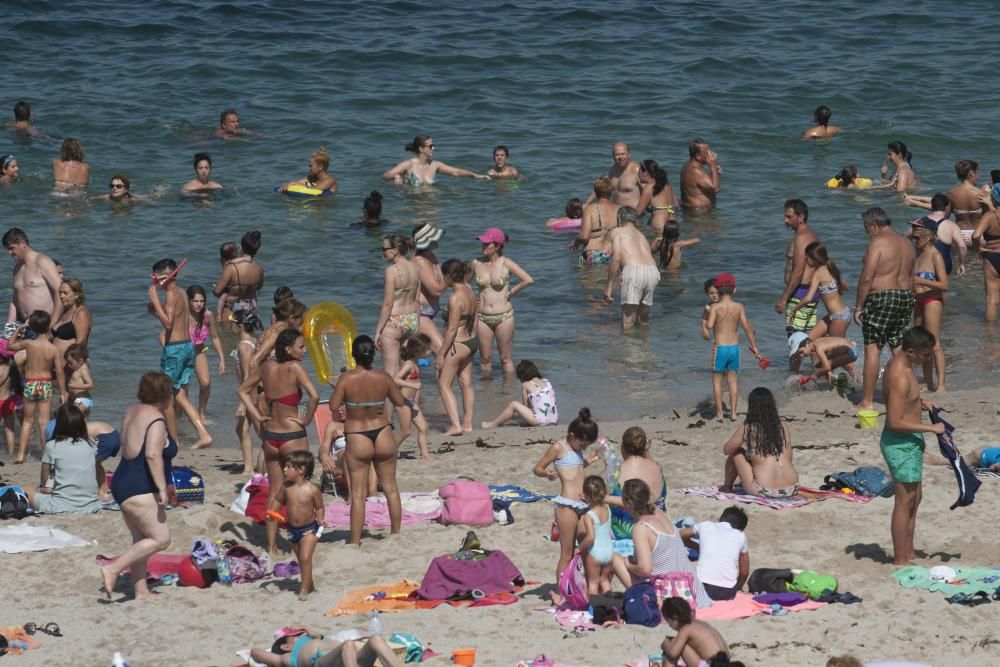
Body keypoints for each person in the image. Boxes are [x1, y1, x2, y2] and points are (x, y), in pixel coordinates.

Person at [239, 328, 319, 555]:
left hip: (271, 436)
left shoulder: (266, 368)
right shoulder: (294, 368)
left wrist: (256, 415)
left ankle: (272, 545)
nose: (304, 351)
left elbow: (243, 391)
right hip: (292, 435)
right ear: (288, 349)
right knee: (298, 491)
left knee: (274, 492)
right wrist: (306, 418)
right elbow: (313, 395)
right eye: (301, 347)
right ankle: (298, 541)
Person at [99, 372, 177, 601]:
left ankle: (141, 591)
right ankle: (112, 568)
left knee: (141, 539)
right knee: (161, 539)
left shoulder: (132, 410)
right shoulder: (156, 418)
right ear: (164, 393)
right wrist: (163, 488)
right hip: (139, 484)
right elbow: (153, 455)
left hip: (122, 481)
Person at [329, 336, 407, 546]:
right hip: (382, 431)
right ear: (373, 353)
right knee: (391, 488)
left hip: (357, 434)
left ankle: (354, 541)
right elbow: (399, 402)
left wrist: (339, 387)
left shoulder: (347, 379)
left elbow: (334, 406)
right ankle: (396, 533)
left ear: (353, 355)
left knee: (358, 493)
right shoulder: (383, 377)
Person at [880, 327, 944, 566]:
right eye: (924, 355)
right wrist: (931, 429)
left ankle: (909, 551)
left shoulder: (905, 366)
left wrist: (921, 401)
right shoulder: (898, 374)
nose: (927, 359)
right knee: (904, 500)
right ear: (910, 351)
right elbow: (894, 421)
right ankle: (900, 559)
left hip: (910, 441)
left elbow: (905, 400)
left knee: (915, 498)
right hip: (900, 444)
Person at [610, 479, 710, 607]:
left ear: (628, 503)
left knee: (614, 558)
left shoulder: (641, 528)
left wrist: (628, 564)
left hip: (668, 593)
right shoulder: (659, 512)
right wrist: (605, 498)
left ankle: (605, 599)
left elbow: (645, 569)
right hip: (690, 588)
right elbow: (632, 502)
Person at [854, 207, 916, 410]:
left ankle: (868, 401)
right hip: (905, 297)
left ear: (874, 225)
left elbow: (866, 278)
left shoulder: (877, 242)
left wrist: (859, 307)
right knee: (898, 348)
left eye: (866, 228)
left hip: (882, 297)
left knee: (873, 349)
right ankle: (910, 394)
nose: (866, 233)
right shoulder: (907, 243)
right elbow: (911, 276)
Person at [148, 258, 213, 448]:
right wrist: (156, 311)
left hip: (175, 350)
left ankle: (173, 441)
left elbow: (168, 324)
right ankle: (203, 434)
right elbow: (176, 321)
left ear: (165, 277)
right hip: (187, 347)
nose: (153, 280)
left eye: (156, 276)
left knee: (166, 396)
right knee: (180, 396)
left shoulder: (170, 294)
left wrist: (155, 301)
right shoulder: (183, 293)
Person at [532, 407, 599, 582]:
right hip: (567, 505)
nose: (584, 447)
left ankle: (582, 588)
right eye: (583, 444)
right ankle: (562, 593)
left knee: (586, 550)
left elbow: (574, 470)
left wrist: (588, 461)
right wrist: (546, 474)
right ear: (571, 436)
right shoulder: (558, 447)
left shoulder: (577, 449)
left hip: (584, 505)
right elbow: (537, 468)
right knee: (567, 553)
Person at [472, 227, 533, 373]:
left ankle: (507, 393)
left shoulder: (506, 263)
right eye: (483, 243)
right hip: (482, 317)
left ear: (498, 246)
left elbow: (528, 280)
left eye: (487, 244)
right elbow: (462, 283)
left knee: (505, 358)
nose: (483, 246)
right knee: (485, 359)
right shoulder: (476, 263)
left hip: (504, 316)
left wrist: (511, 291)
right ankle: (488, 393)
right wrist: (472, 298)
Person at [22, 403, 100, 514]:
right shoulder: (91, 443)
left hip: (61, 505)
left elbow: (44, 480)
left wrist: (43, 488)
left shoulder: (52, 446)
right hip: (91, 503)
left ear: (59, 424)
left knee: (25, 489)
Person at [721, 387, 799, 498]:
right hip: (792, 488)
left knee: (737, 452)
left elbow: (727, 450)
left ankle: (727, 487)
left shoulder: (748, 427)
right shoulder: (782, 427)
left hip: (765, 491)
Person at [9, 312, 66, 464]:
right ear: (48, 327)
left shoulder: (28, 344)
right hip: (45, 384)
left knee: (27, 421)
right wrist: (63, 392)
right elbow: (60, 373)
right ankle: (45, 455)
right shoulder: (53, 349)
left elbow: (10, 346)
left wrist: (20, 328)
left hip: (30, 383)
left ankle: (20, 455)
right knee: (43, 422)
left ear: (32, 327)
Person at [268, 450, 324, 600]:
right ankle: (309, 583)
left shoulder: (312, 489)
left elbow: (319, 507)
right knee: (301, 559)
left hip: (310, 529)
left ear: (301, 469)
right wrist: (272, 511)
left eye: (288, 466)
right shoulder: (286, 487)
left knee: (306, 558)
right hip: (292, 529)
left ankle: (304, 590)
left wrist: (321, 519)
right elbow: (278, 501)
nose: (284, 469)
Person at [705, 273, 761, 422]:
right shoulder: (739, 307)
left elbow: (710, 325)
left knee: (717, 381)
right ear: (734, 290)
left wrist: (709, 315)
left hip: (720, 348)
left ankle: (719, 414)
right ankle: (734, 413)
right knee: (733, 381)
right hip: (734, 348)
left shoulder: (716, 307)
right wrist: (755, 348)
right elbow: (747, 328)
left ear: (718, 290)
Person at [775, 199, 820, 367]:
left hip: (800, 292)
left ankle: (793, 379)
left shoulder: (802, 237)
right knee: (808, 340)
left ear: (800, 217)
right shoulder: (810, 234)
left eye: (789, 217)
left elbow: (798, 271)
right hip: (810, 292)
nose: (785, 220)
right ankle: (821, 374)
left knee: (795, 341)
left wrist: (784, 298)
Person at [436, 259, 478, 435]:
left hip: (457, 344)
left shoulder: (455, 298)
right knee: (466, 383)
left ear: (448, 275)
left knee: (443, 384)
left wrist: (440, 353)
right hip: (471, 342)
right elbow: (475, 317)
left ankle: (455, 425)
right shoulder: (470, 290)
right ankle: (467, 423)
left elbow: (452, 329)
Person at [604, 207, 661, 329]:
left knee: (628, 321)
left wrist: (609, 286)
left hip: (633, 270)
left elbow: (617, 257)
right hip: (653, 272)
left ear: (619, 220)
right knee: (643, 319)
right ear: (634, 220)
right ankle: (644, 346)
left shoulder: (617, 231)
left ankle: (628, 347)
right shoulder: (641, 236)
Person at [607, 426, 668, 539]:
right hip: (658, 527)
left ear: (622, 446)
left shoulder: (615, 473)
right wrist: (646, 451)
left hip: (627, 533)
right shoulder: (657, 467)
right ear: (645, 445)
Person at [374, 234, 421, 380]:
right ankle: (411, 402)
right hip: (412, 320)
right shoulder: (416, 268)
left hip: (395, 321)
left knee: (390, 376)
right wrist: (417, 324)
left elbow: (388, 304)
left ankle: (391, 403)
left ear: (395, 250)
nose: (382, 252)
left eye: (384, 249)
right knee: (409, 372)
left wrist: (378, 331)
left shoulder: (391, 270)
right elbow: (417, 300)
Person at [679, 507, 749, 601]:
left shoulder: (706, 525)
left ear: (719, 519)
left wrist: (697, 547)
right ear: (741, 529)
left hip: (701, 588)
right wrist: (738, 587)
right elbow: (744, 572)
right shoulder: (741, 536)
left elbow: (678, 536)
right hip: (726, 591)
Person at [910, 221, 948, 392]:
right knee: (921, 343)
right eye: (913, 236)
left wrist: (921, 281)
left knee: (934, 344)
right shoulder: (917, 253)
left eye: (917, 237)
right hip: (917, 300)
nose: (914, 239)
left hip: (932, 300)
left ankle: (941, 385)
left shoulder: (935, 255)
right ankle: (928, 382)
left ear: (929, 236)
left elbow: (944, 285)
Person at [788, 242, 850, 339]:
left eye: (807, 257)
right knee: (808, 341)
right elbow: (846, 287)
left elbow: (808, 298)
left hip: (838, 317)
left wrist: (793, 310)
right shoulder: (831, 268)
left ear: (814, 258)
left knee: (833, 350)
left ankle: (852, 348)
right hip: (838, 314)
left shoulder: (817, 273)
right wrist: (827, 287)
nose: (806, 260)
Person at [250, 630, 403, 667]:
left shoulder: (315, 638)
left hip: (352, 658)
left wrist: (313, 633)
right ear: (285, 646)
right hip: (323, 662)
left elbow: (320, 636)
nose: (299, 635)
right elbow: (255, 652)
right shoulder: (286, 658)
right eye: (294, 635)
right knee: (347, 645)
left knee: (375, 638)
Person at [3, 227, 62, 322]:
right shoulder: (17, 268)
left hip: (43, 326)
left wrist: (53, 322)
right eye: (8, 249)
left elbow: (60, 291)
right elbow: (14, 302)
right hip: (24, 325)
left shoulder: (42, 261)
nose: (9, 253)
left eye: (12, 248)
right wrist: (9, 328)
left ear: (22, 244)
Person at [186, 285, 226, 422]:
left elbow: (215, 337)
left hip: (199, 351)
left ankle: (202, 413)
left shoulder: (207, 315)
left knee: (205, 383)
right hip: (182, 353)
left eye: (201, 301)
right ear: (189, 301)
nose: (198, 304)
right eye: (195, 301)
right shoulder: (182, 315)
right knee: (181, 389)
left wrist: (222, 359)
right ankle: (178, 416)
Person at [382, 135, 489, 185]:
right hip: (413, 206)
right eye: (431, 146)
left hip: (432, 206)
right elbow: (386, 175)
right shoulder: (408, 165)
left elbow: (455, 172)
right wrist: (397, 177)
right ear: (421, 149)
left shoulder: (435, 165)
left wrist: (475, 175)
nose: (434, 148)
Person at [480, 359, 558, 428]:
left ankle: (494, 424)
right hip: (554, 419)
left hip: (540, 421)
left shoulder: (526, 385)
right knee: (517, 414)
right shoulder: (547, 382)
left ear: (522, 376)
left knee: (514, 405)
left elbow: (526, 406)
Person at [901, 194, 967, 276]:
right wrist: (961, 264)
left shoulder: (919, 221)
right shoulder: (951, 225)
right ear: (947, 208)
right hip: (943, 265)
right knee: (941, 286)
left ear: (932, 206)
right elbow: (962, 246)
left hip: (922, 265)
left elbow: (904, 238)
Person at [659, 597, 732, 667]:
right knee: (678, 643)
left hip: (713, 665)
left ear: (675, 618)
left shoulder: (685, 629)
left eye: (669, 622)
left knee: (675, 645)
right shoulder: (702, 624)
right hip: (726, 663)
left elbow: (673, 654)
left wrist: (665, 645)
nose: (669, 626)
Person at [231, 309, 261, 476]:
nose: (230, 327)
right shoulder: (254, 341)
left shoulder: (243, 346)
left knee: (257, 430)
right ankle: (248, 467)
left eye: (233, 323)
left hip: (250, 391)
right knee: (242, 428)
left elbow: (248, 375)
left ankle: (251, 467)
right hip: (253, 390)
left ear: (240, 326)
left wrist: (243, 402)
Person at [213, 230, 264, 326]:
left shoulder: (232, 267)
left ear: (241, 247)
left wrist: (214, 288)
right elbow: (259, 286)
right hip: (251, 309)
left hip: (232, 309)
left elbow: (217, 292)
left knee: (229, 338)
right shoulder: (259, 268)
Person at [393, 333, 431, 460]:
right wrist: (414, 386)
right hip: (402, 402)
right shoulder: (408, 364)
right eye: (428, 349)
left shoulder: (416, 363)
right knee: (405, 432)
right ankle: (391, 450)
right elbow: (395, 379)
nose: (430, 351)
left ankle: (425, 454)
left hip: (411, 402)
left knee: (423, 427)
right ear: (419, 350)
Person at [412, 223, 446, 353]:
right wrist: (451, 278)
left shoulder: (431, 256)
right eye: (434, 237)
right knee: (441, 350)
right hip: (420, 314)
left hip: (429, 312)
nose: (437, 239)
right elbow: (436, 290)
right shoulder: (420, 261)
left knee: (415, 354)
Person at [579, 475, 614, 598]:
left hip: (595, 553)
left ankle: (594, 611)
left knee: (593, 583)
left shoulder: (589, 515)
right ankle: (610, 607)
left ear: (586, 496)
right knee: (605, 581)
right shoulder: (607, 508)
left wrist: (579, 549)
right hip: (609, 552)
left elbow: (590, 537)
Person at [575, 176, 619, 265]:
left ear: (596, 192)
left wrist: (576, 241)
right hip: (612, 255)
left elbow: (584, 236)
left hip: (593, 255)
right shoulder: (619, 209)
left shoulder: (590, 209)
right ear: (610, 191)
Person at [972, 184, 1000, 322]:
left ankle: (990, 337)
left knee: (992, 299)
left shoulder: (990, 216)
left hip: (992, 255)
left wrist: (979, 249)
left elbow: (976, 236)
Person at [792, 335, 858, 385]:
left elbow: (827, 367)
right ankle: (835, 383)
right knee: (822, 365)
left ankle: (842, 384)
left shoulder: (818, 348)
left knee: (825, 366)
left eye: (801, 352)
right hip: (849, 349)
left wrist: (816, 375)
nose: (801, 355)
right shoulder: (817, 342)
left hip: (851, 352)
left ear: (807, 343)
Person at [635, 159, 679, 232]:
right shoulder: (666, 184)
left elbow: (638, 212)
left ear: (645, 173)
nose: (638, 174)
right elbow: (676, 204)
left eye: (639, 171)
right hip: (673, 222)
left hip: (659, 223)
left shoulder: (649, 188)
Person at [51, 277, 92, 356]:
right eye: (60, 292)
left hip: (70, 364)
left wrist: (70, 363)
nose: (61, 296)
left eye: (65, 293)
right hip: (57, 363)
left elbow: (80, 343)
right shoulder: (65, 311)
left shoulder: (81, 313)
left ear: (76, 295)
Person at [679, 139, 721, 210]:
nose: (709, 154)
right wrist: (713, 166)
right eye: (706, 152)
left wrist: (715, 173)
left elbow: (704, 185)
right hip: (699, 214)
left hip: (696, 212)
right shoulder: (695, 171)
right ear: (698, 156)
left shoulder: (688, 166)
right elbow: (715, 188)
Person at [598, 142, 641, 208]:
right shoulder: (612, 170)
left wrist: (638, 212)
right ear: (613, 156)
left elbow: (648, 192)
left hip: (633, 215)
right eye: (617, 155)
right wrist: (587, 203)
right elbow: (600, 187)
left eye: (623, 154)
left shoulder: (637, 170)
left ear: (629, 154)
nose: (620, 157)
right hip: (615, 214)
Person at [64, 343, 93, 411]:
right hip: (79, 399)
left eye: (71, 363)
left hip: (82, 399)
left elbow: (90, 385)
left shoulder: (83, 370)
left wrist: (74, 386)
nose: (68, 365)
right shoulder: (78, 368)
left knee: (73, 418)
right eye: (67, 363)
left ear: (80, 361)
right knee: (81, 421)